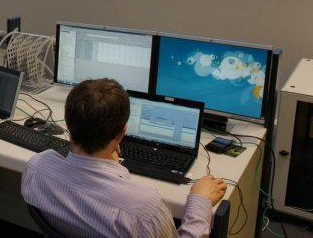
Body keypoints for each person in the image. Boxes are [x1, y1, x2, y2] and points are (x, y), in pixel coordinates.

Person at [21, 78, 227, 237]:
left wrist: (111, 167)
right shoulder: (145, 209)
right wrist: (200, 201)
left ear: (67, 122)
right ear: (121, 133)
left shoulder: (36, 169)